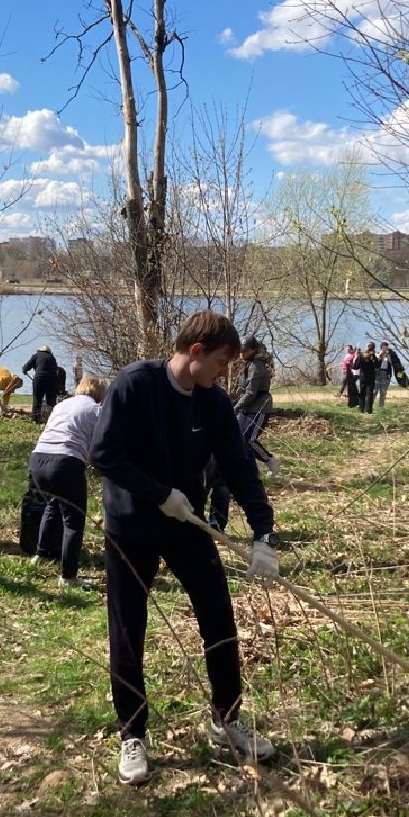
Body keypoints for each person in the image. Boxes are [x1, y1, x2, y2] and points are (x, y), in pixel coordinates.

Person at [90, 310, 280, 785]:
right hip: (131, 525)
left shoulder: (212, 402)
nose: (224, 374)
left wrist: (263, 533)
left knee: (218, 614)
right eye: (220, 363)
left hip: (187, 524)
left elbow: (238, 465)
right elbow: (103, 454)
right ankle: (132, 733)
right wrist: (158, 494)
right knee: (129, 628)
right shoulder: (135, 385)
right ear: (195, 352)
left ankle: (226, 717)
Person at [28, 375, 107, 587]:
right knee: (74, 520)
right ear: (100, 393)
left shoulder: (61, 405)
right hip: (65, 462)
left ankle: (41, 555)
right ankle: (68, 575)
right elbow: (100, 445)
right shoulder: (96, 410)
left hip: (38, 460)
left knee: (53, 505)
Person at [234, 335, 278, 474]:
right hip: (247, 407)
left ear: (253, 350)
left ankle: (271, 461)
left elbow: (251, 393)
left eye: (244, 351)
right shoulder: (248, 363)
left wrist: (236, 407)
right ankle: (250, 470)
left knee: (249, 440)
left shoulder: (256, 366)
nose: (241, 353)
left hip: (259, 407)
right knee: (238, 439)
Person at [21, 343, 61, 422]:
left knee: (37, 400)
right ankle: (52, 419)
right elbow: (56, 370)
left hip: (40, 379)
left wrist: (24, 370)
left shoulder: (36, 355)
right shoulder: (52, 358)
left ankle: (35, 420)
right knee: (51, 401)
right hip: (53, 380)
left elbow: (26, 367)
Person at [377, 342, 406, 410]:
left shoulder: (390, 354)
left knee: (384, 390)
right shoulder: (378, 353)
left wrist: (388, 355)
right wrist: (381, 355)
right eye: (384, 347)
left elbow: (392, 363)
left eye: (387, 347)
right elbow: (376, 362)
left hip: (387, 373)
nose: (385, 348)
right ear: (381, 347)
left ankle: (381, 406)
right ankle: (370, 405)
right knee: (375, 390)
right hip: (379, 373)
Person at [354, 342, 381, 414]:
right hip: (371, 377)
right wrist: (374, 358)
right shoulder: (374, 357)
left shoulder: (361, 356)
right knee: (369, 394)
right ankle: (369, 410)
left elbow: (355, 367)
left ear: (367, 347)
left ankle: (361, 409)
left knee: (362, 393)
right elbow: (378, 366)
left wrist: (357, 356)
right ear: (373, 348)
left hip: (363, 377)